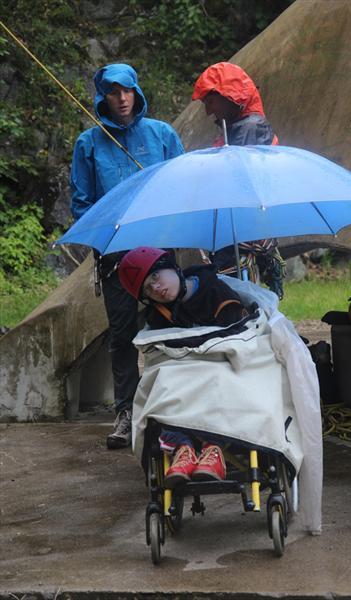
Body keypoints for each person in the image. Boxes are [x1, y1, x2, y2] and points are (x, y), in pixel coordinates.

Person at [70, 64, 184, 450]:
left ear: (137, 92)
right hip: (116, 256)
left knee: (169, 326)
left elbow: (182, 185)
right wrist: (103, 237)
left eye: (128, 91)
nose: (122, 99)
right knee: (121, 335)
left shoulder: (162, 134)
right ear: (102, 96)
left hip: (159, 249)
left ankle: (172, 409)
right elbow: (82, 203)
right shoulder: (89, 143)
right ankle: (126, 413)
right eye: (114, 92)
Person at [118, 246, 249, 487]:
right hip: (181, 385)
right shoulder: (157, 317)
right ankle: (182, 450)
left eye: (155, 277)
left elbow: (240, 346)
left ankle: (213, 448)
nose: (156, 288)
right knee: (164, 387)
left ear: (172, 267)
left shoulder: (218, 293)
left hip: (220, 378)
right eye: (148, 289)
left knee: (221, 382)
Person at [192, 62, 285, 299]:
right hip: (240, 233)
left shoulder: (251, 128)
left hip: (243, 236)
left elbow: (237, 180)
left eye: (210, 102)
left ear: (228, 95)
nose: (208, 112)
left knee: (241, 297)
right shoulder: (239, 128)